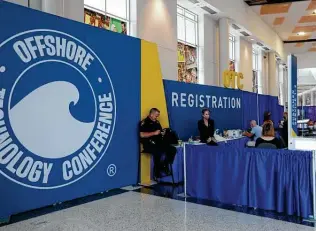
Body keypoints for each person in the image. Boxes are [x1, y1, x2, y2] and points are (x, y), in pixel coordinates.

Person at [139, 108, 176, 178]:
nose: (157, 117)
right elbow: (142, 134)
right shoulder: (144, 122)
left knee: (172, 149)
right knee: (158, 151)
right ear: (151, 114)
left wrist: (162, 132)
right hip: (149, 144)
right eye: (156, 115)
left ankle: (164, 165)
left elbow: (159, 131)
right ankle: (157, 172)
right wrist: (154, 133)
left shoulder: (157, 122)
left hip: (158, 142)